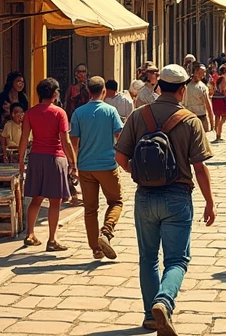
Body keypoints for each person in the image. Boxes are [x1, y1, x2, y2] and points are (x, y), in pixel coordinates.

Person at [115, 64, 215, 335]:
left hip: (145, 196)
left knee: (148, 258)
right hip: (177, 195)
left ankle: (150, 316)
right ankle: (164, 301)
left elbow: (120, 157)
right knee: (177, 260)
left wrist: (138, 172)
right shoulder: (191, 120)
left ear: (159, 87)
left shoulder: (138, 115)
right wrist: (209, 201)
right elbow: (199, 167)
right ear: (183, 89)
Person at [19, 77, 77, 251]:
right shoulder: (59, 113)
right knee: (55, 201)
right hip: (55, 158)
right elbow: (65, 141)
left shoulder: (30, 113)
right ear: (54, 93)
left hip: (36, 158)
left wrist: (21, 161)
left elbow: (24, 138)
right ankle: (52, 239)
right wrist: (73, 162)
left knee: (35, 198)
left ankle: (30, 234)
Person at [70, 75, 124, 261]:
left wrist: (74, 164)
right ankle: (106, 233)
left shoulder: (78, 113)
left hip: (85, 167)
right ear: (103, 91)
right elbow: (119, 134)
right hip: (107, 165)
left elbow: (74, 141)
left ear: (88, 92)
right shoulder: (110, 111)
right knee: (116, 202)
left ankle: (96, 249)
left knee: (90, 209)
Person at [184, 64, 214, 132]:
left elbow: (208, 105)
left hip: (201, 117)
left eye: (204, 73)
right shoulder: (185, 86)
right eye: (199, 73)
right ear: (194, 72)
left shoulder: (203, 87)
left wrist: (211, 122)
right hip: (188, 117)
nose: (202, 75)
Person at [212, 69, 226, 141]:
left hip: (215, 98)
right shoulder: (224, 79)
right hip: (222, 99)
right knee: (223, 118)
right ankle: (218, 135)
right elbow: (223, 89)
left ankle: (217, 133)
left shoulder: (216, 77)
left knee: (217, 117)